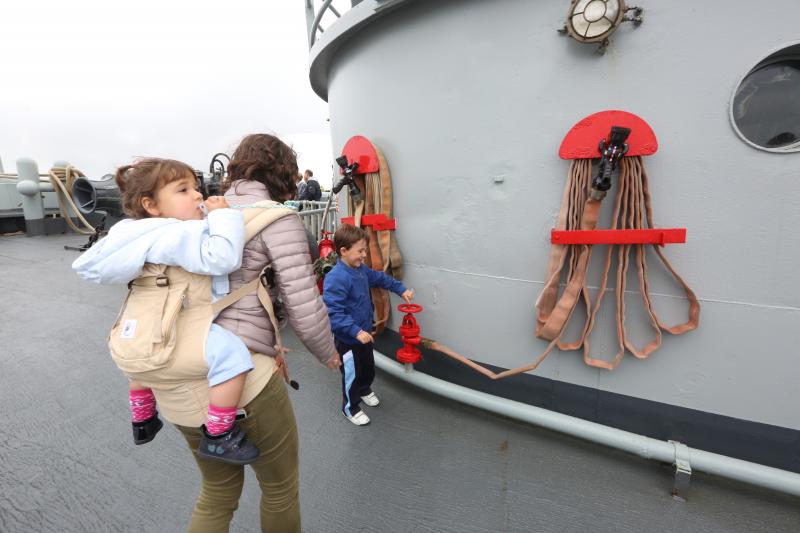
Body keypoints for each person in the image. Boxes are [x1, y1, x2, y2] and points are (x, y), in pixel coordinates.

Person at [187, 133, 340, 531]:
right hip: (245, 374)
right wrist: (329, 354)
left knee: (216, 493)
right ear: (282, 171)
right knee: (279, 488)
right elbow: (305, 308)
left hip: (184, 368)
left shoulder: (197, 212)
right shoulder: (278, 219)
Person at [72, 158, 261, 464]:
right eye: (183, 190)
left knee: (140, 359)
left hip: (134, 335)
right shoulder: (174, 234)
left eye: (196, 188)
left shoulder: (131, 235)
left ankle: (143, 418)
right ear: (152, 205)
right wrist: (224, 217)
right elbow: (222, 258)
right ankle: (218, 434)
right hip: (174, 327)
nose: (198, 195)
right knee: (232, 355)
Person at [323, 224, 413, 426]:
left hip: (365, 334)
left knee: (367, 368)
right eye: (360, 251)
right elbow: (334, 313)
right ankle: (351, 408)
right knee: (351, 375)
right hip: (349, 339)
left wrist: (401, 289)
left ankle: (364, 389)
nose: (364, 255)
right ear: (343, 251)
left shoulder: (360, 270)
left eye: (365, 250)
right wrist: (355, 332)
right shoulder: (336, 278)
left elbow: (380, 278)